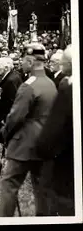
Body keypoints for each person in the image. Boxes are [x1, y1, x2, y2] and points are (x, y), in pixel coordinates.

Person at [0, 43, 58, 216]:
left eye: (23, 59)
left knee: (9, 185)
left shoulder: (28, 85)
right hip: (45, 144)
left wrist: (5, 132)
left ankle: (5, 219)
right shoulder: (50, 83)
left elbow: (15, 117)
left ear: (30, 62)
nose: (20, 63)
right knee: (41, 189)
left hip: (24, 145)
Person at [36, 45, 74, 216]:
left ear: (67, 64)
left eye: (60, 62)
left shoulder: (66, 86)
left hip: (65, 160)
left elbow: (51, 133)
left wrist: (43, 147)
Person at [0, 57, 23, 142]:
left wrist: (5, 119)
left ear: (6, 68)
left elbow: (12, 102)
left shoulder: (10, 80)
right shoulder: (11, 76)